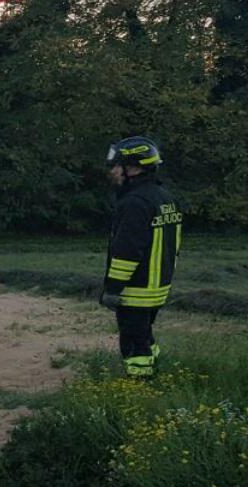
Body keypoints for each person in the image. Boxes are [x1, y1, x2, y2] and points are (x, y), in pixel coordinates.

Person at [101, 136, 182, 378]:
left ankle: (141, 384)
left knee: (135, 346)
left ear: (132, 168)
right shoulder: (165, 198)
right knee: (145, 335)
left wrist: (113, 289)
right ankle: (155, 371)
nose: (112, 172)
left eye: (116, 166)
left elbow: (126, 251)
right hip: (157, 287)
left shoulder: (134, 203)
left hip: (135, 290)